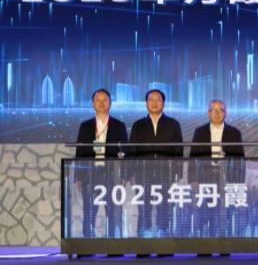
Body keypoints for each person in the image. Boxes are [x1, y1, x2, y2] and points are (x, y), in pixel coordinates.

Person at [128, 89, 183, 236]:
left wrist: (177, 172)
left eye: (158, 99)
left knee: (165, 204)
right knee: (143, 203)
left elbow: (179, 149)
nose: (154, 103)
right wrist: (130, 173)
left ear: (163, 103)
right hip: (142, 171)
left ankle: (163, 233)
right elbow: (132, 149)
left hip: (166, 171)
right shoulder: (138, 125)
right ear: (146, 103)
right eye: (151, 100)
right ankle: (144, 233)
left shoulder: (173, 124)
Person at [74, 88, 128, 239]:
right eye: (98, 100)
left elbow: (125, 151)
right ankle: (87, 243)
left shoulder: (119, 125)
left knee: (113, 210)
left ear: (110, 103)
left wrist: (124, 176)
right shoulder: (85, 126)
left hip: (112, 175)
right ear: (93, 103)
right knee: (89, 209)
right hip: (90, 174)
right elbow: (80, 152)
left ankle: (114, 243)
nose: (101, 103)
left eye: (105, 100)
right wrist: (78, 177)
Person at [188, 99, 245, 238]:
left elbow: (240, 159)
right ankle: (206, 242)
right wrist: (192, 179)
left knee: (226, 211)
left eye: (221, 110)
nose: (217, 113)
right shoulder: (200, 132)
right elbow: (193, 157)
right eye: (213, 110)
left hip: (227, 177)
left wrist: (239, 182)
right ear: (208, 113)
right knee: (205, 211)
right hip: (205, 176)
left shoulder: (234, 133)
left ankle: (225, 241)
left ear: (226, 113)